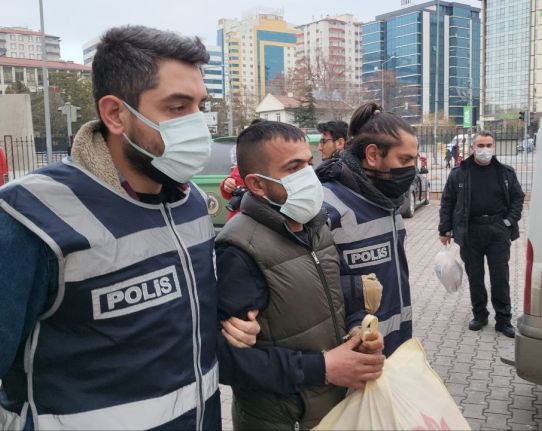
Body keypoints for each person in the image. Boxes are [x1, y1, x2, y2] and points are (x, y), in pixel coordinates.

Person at [0, 26, 259, 430]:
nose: (196, 125)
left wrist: (227, 327)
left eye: (198, 106)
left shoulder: (189, 202)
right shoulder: (31, 216)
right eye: (176, 108)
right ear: (116, 114)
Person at [215, 120, 385, 430]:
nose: (309, 175)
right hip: (282, 420)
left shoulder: (316, 226)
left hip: (333, 411)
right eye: (294, 168)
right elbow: (230, 363)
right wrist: (322, 368)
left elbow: (337, 293)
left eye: (309, 163)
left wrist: (356, 331)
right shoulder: (239, 249)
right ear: (257, 184)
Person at [316, 102, 418, 356]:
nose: (411, 170)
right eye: (404, 160)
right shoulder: (328, 206)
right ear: (372, 155)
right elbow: (315, 289)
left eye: (414, 160)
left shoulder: (388, 201)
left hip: (397, 347)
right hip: (354, 353)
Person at [438, 131, 525, 338]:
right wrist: (445, 229)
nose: (484, 149)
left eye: (488, 145)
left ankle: (503, 320)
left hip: (497, 230)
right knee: (475, 276)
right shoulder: (459, 173)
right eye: (480, 145)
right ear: (472, 147)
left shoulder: (505, 173)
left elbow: (517, 199)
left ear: (494, 147)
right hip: (470, 231)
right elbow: (447, 201)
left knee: (500, 277)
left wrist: (508, 222)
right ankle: (480, 315)